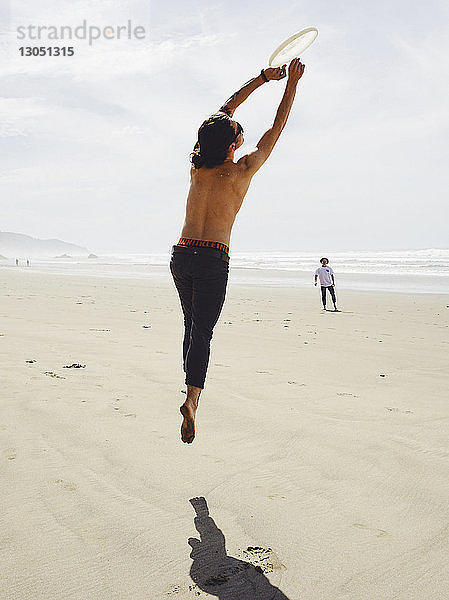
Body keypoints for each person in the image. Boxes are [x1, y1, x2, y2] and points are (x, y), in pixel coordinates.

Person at [170, 58, 306, 443]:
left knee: (191, 326)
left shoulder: (197, 168)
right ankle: (192, 398)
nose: (241, 135)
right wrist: (291, 84)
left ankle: (188, 387)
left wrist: (263, 78)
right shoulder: (241, 170)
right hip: (213, 258)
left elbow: (224, 109)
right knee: (203, 332)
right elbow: (275, 128)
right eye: (237, 134)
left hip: (182, 255)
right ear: (232, 146)